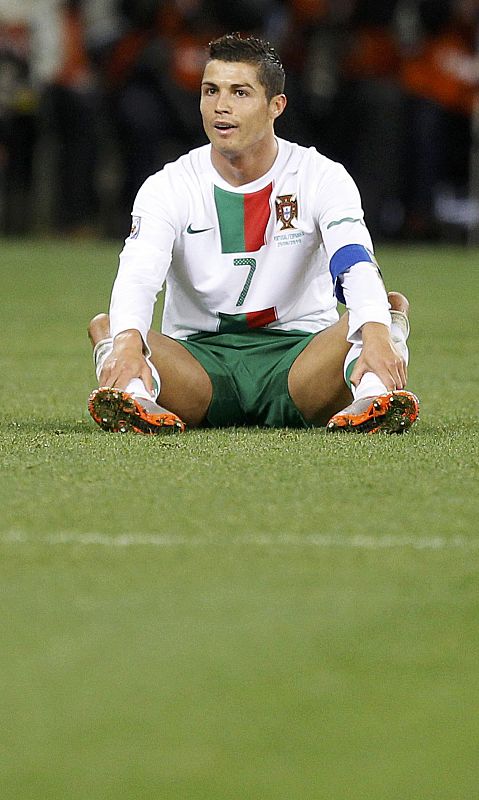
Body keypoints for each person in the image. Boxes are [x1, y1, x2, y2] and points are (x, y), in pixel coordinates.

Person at [87, 32, 419, 435]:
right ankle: (132, 392)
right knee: (121, 330)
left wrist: (377, 330)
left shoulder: (320, 176)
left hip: (300, 360)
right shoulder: (168, 185)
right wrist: (126, 341)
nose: (221, 107)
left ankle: (374, 392)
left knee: (377, 313)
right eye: (211, 91)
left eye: (239, 93)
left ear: (275, 106)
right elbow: (139, 273)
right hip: (198, 363)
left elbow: (353, 260)